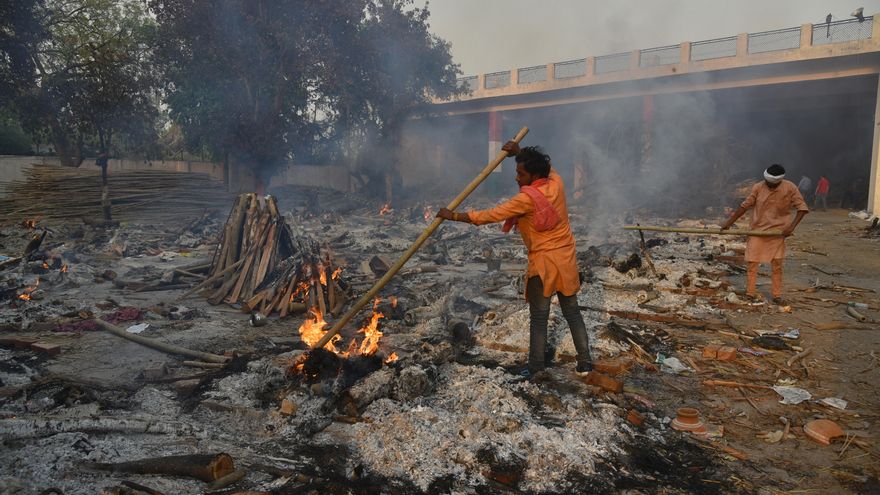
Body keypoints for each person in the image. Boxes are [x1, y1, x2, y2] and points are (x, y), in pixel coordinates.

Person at [437, 142, 593, 377]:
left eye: (521, 174)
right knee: (572, 311)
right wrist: (520, 153)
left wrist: (455, 216)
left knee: (539, 318)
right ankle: (585, 362)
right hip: (566, 257)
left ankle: (536, 367)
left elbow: (491, 215)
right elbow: (550, 169)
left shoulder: (527, 199)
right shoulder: (556, 183)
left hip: (544, 262)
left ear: (534, 175)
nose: (517, 178)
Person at [720, 164, 809, 305]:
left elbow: (802, 208)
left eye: (773, 185)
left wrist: (791, 227)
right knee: (752, 264)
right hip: (757, 231)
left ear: (780, 181)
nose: (770, 186)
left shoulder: (790, 187)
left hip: (778, 233)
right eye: (768, 183)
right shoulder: (758, 187)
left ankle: (777, 295)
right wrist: (729, 222)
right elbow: (745, 205)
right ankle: (750, 292)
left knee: (777, 265)